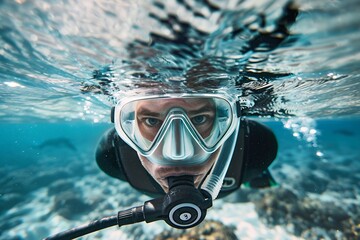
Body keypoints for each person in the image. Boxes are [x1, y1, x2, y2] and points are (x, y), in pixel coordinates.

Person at [96, 91, 278, 199]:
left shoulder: (258, 147)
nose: (178, 154)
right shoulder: (112, 156)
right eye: (151, 121)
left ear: (224, 122)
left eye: (199, 118)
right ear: (129, 128)